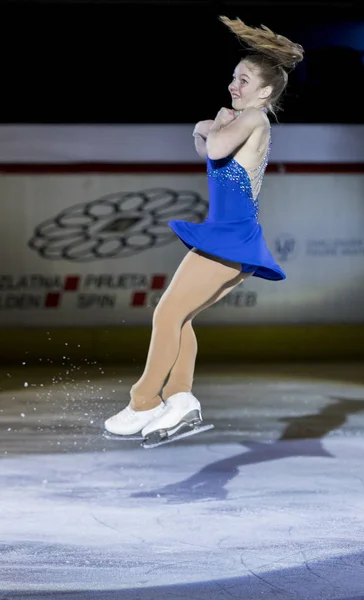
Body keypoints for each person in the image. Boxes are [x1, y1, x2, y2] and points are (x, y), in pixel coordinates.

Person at [104, 15, 304, 445]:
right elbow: (209, 149)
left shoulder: (255, 120)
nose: (235, 85)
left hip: (228, 237)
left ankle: (144, 401)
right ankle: (179, 399)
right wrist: (211, 128)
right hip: (231, 237)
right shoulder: (239, 121)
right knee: (182, 317)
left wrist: (213, 124)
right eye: (234, 77)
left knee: (166, 313)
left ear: (266, 91)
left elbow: (211, 143)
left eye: (245, 80)